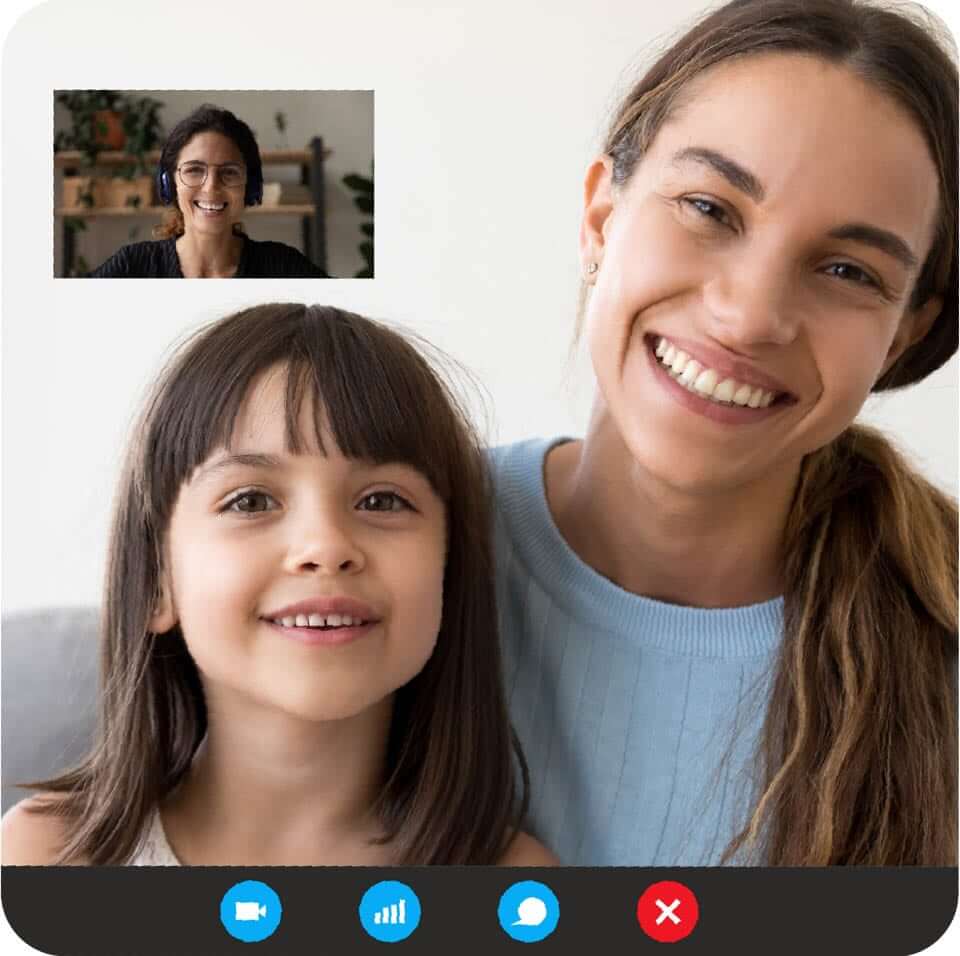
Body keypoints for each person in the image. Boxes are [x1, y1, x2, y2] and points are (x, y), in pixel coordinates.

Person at [490, 0, 957, 866]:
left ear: (904, 334)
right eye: (709, 208)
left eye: (849, 270)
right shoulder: (359, 549)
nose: (748, 318)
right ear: (601, 221)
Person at [1, 303, 554, 867]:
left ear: (449, 569)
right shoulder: (45, 855)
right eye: (251, 501)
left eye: (382, 500)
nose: (326, 546)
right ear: (155, 580)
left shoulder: (518, 889)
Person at [88, 105, 327, 278]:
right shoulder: (133, 266)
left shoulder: (282, 267)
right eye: (194, 170)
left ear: (250, 185)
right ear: (169, 182)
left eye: (229, 172)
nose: (211, 186)